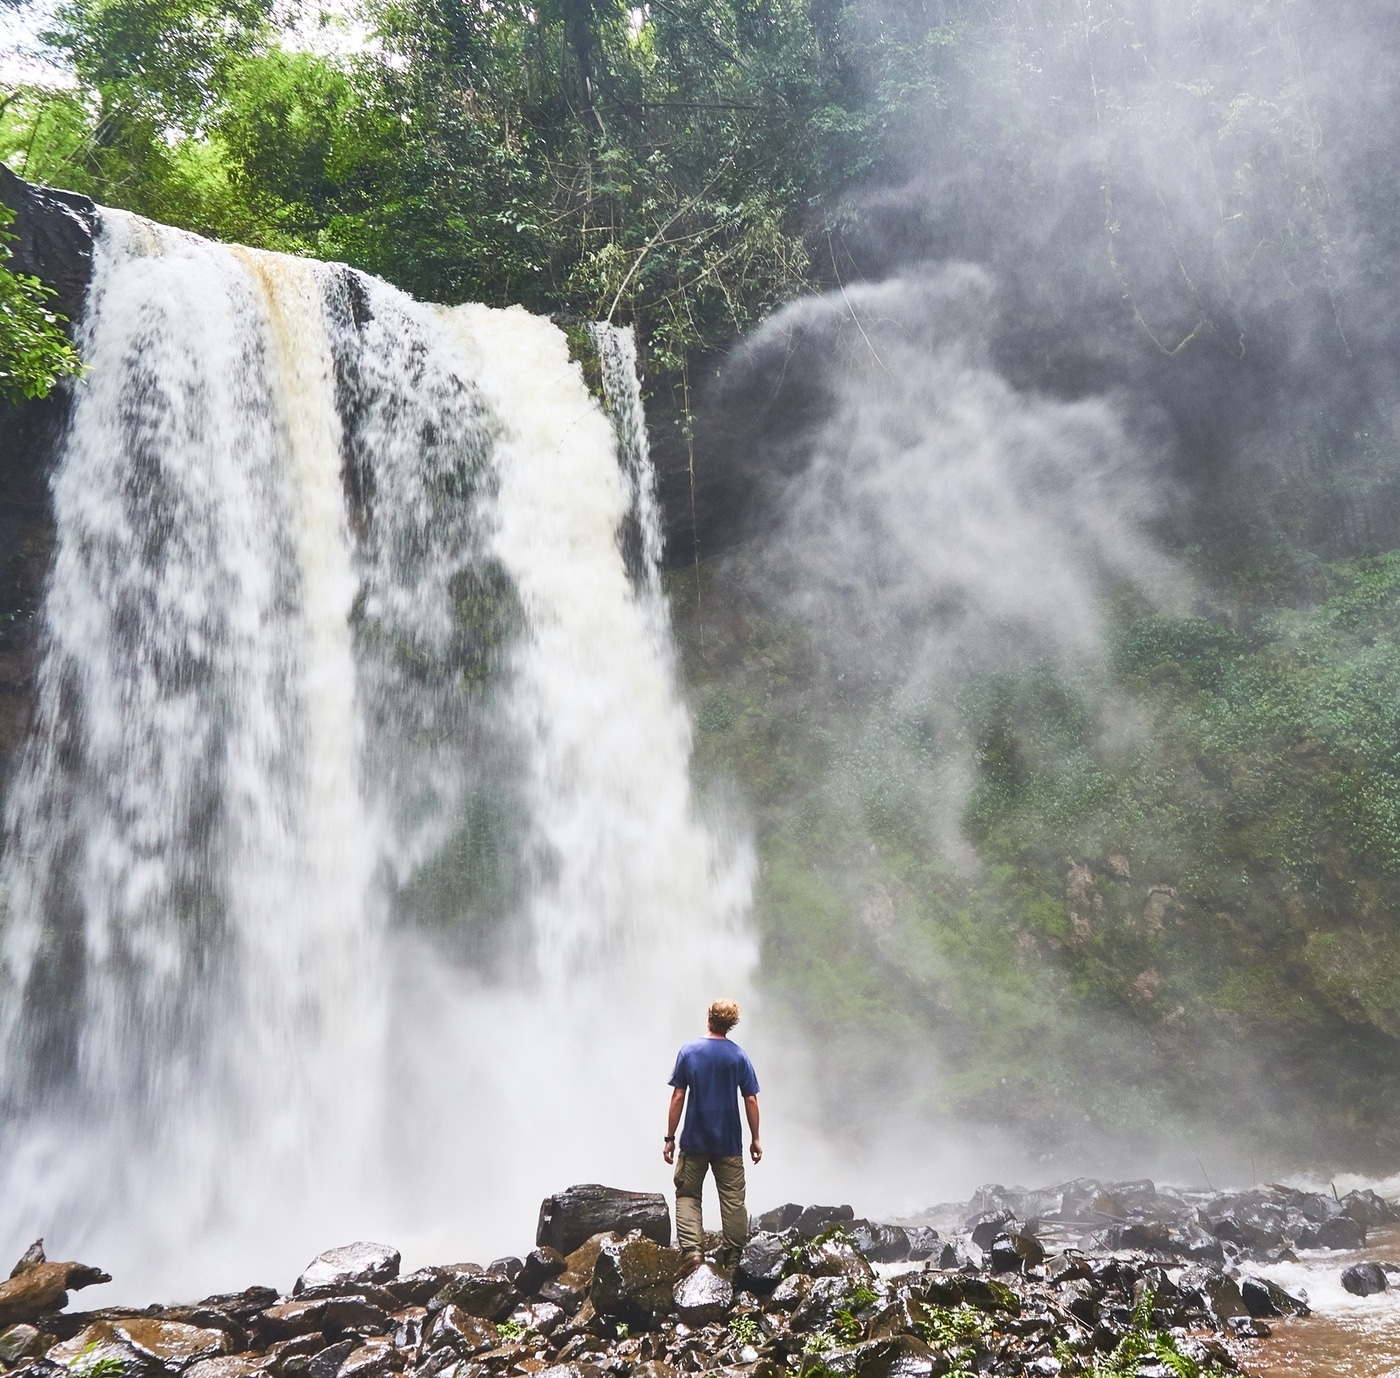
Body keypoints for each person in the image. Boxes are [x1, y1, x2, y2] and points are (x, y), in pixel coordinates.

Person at [662, 997, 762, 1267]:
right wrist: (755, 1139)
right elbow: (750, 1099)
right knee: (732, 1201)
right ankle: (732, 1258)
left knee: (687, 1195)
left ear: (709, 1017)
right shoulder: (739, 1056)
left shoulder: (689, 1051)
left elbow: (678, 1097)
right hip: (729, 1142)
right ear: (732, 1024)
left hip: (694, 1140)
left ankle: (693, 1254)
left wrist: (670, 1138)